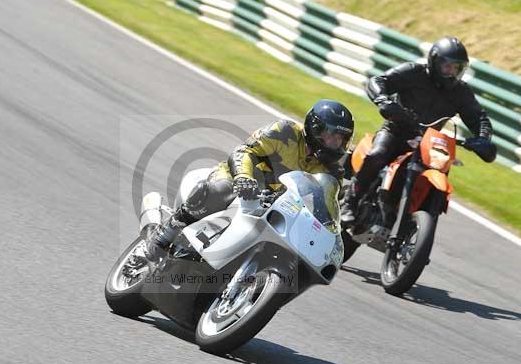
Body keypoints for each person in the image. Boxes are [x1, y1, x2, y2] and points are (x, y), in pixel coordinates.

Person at [144, 99, 356, 261]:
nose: (336, 143)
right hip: (240, 180)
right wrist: (244, 178)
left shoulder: (331, 171)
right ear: (315, 128)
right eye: (332, 136)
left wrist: (330, 234)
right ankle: (166, 233)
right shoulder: (286, 132)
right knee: (219, 190)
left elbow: (327, 205)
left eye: (341, 139)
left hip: (277, 203)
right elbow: (245, 150)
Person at [339, 36, 494, 223]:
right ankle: (350, 201)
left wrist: (483, 138)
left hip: (428, 144)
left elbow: (479, 118)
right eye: (448, 66)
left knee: (441, 169)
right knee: (377, 154)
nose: (451, 72)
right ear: (435, 61)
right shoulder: (414, 72)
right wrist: (383, 100)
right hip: (396, 130)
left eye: (457, 68)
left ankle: (418, 216)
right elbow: (379, 81)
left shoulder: (461, 92)